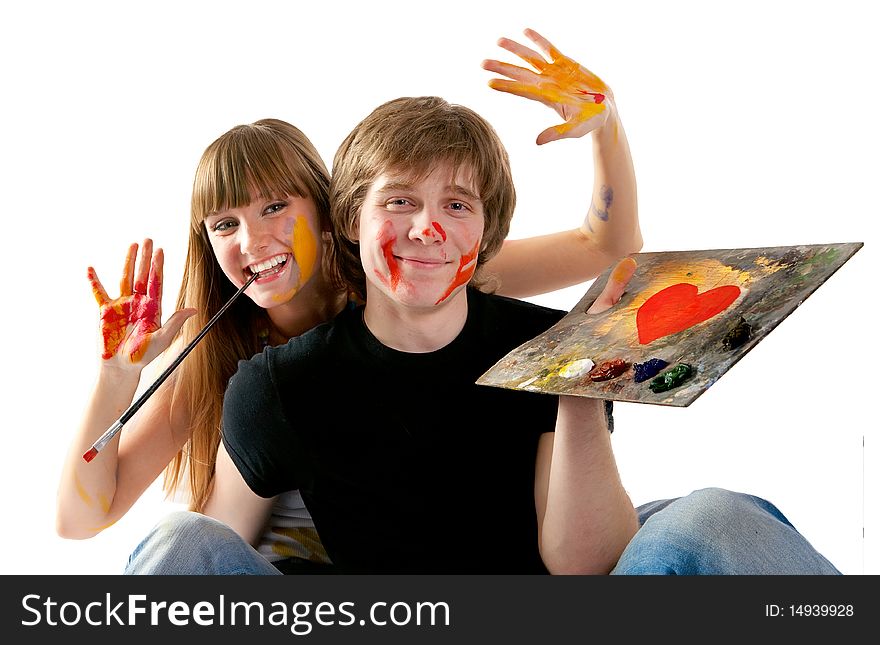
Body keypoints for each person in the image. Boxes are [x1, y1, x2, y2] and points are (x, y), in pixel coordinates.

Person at [124, 39, 839, 574]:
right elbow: (210, 555)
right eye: (399, 201)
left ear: (484, 231)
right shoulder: (276, 384)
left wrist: (578, 380)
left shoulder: (548, 342)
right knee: (177, 539)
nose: (426, 229)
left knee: (714, 514)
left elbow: (586, 565)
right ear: (349, 217)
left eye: (456, 205)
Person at [57, 29, 642, 570]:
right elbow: (80, 520)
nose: (253, 241)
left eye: (274, 208)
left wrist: (606, 124)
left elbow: (605, 244)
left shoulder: (413, 271)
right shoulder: (227, 357)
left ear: (329, 208)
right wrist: (115, 378)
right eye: (224, 224)